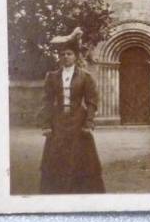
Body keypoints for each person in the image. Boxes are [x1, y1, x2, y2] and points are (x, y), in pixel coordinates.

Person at [38, 27, 105, 194]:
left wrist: (88, 122)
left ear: (75, 56)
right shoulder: (52, 76)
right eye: (62, 54)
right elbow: (46, 101)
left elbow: (92, 101)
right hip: (58, 122)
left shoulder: (85, 76)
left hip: (78, 122)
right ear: (59, 57)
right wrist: (46, 124)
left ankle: (79, 192)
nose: (65, 57)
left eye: (69, 54)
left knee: (80, 160)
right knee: (57, 160)